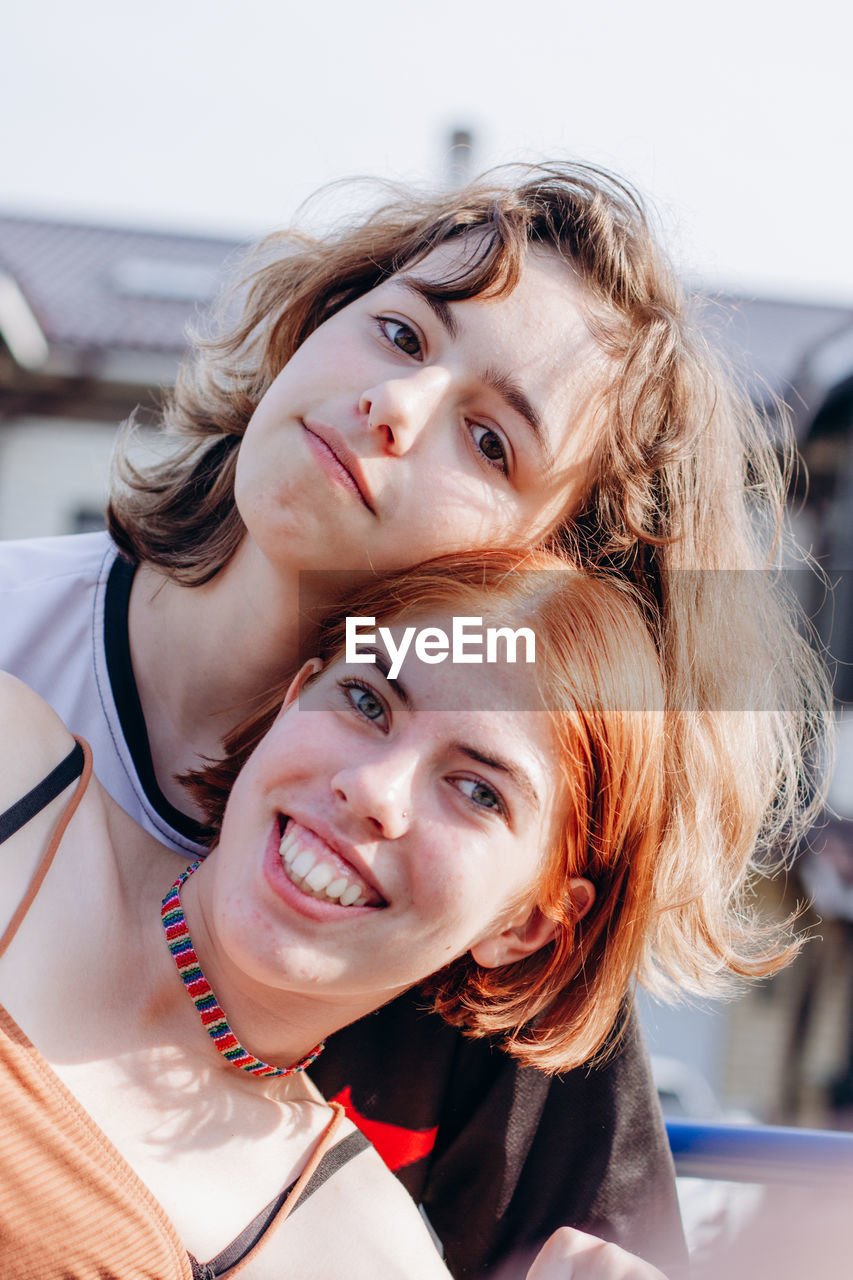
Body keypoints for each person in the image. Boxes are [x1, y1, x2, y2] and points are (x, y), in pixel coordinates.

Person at [0, 162, 829, 1275]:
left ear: (541, 575)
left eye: (491, 442)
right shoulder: (17, 691)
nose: (395, 407)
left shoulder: (485, 956)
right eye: (399, 334)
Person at [0, 550, 694, 1279]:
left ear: (523, 925)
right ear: (292, 700)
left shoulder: (357, 1254)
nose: (373, 790)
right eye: (366, 703)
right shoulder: (17, 776)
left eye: (477, 791)